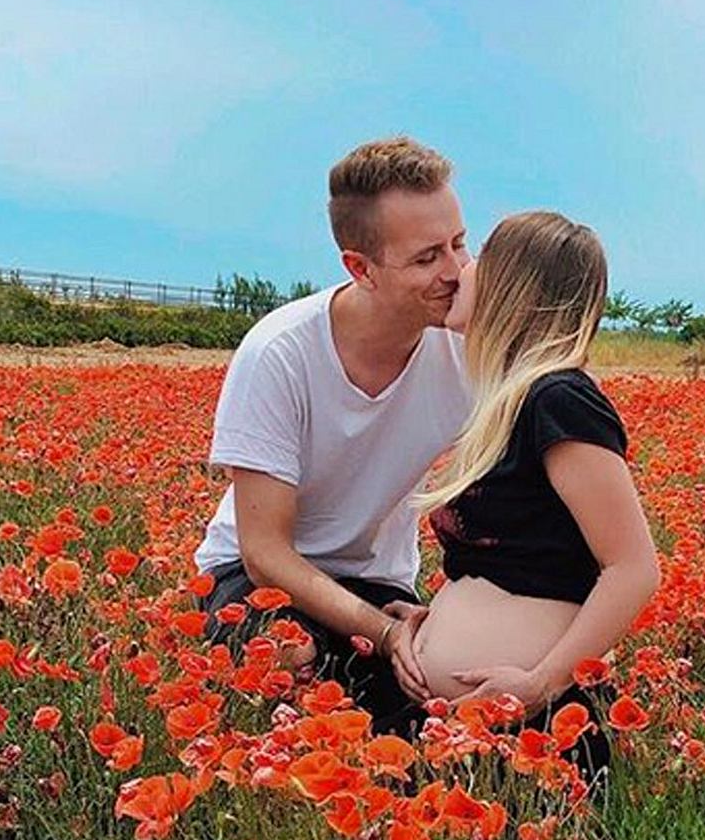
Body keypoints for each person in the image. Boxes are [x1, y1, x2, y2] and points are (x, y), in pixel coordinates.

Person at [195, 136, 471, 733]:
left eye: (459, 243)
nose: (456, 273)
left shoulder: (466, 347)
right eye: (427, 258)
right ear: (359, 268)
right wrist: (387, 633)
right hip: (258, 579)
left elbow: (558, 413)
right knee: (290, 661)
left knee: (431, 716)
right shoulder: (280, 352)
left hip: (380, 584)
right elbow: (266, 554)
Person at [410, 211, 662, 777]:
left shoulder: (559, 398)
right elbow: (522, 562)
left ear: (510, 286)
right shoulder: (509, 401)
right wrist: (433, 620)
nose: (460, 271)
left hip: (535, 736)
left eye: (477, 257)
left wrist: (537, 685)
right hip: (484, 729)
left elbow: (634, 567)